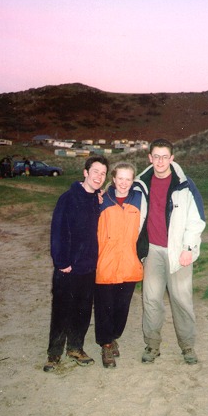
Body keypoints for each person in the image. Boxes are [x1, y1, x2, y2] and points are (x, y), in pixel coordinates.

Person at [133, 138, 206, 364]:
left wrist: (189, 249)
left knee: (181, 300)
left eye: (165, 156)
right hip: (153, 251)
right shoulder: (141, 183)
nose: (160, 161)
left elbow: (197, 220)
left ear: (172, 158)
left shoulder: (185, 185)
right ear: (150, 158)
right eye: (156, 156)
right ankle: (152, 345)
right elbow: (120, 196)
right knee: (151, 299)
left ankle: (187, 346)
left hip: (178, 252)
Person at [43, 155, 109, 372]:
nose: (99, 176)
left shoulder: (96, 200)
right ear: (85, 172)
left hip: (88, 266)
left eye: (103, 173)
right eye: (95, 171)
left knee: (82, 309)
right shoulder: (68, 198)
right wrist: (62, 262)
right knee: (62, 309)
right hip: (68, 267)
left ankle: (75, 347)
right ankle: (54, 354)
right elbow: (58, 231)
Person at [94, 162, 146, 368]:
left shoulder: (140, 200)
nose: (124, 183)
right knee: (104, 306)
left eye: (128, 179)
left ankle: (113, 335)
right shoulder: (101, 200)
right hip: (105, 262)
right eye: (120, 178)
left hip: (129, 263)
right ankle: (105, 344)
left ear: (133, 180)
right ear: (113, 179)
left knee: (121, 306)